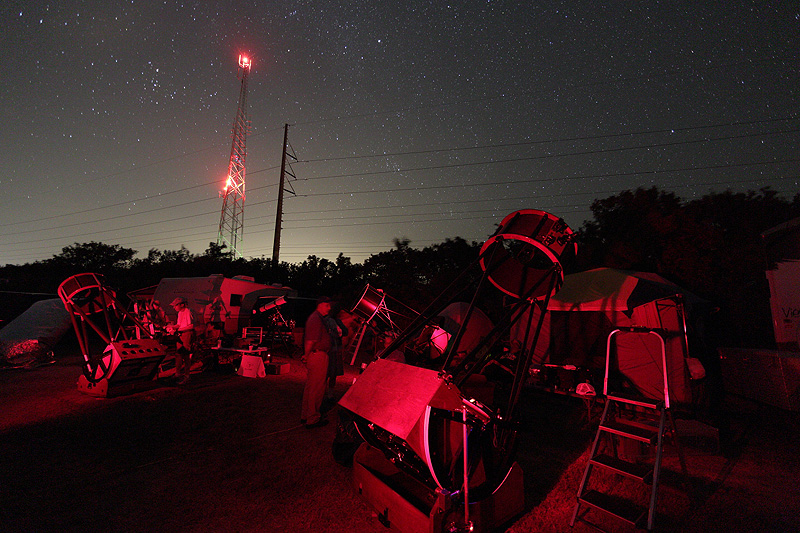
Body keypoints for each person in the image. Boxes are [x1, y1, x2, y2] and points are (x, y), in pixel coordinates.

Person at [301, 296, 333, 428]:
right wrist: (307, 354)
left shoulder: (318, 318)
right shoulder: (316, 319)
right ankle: (313, 418)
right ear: (320, 305)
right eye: (327, 305)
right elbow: (310, 340)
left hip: (316, 354)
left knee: (311, 387)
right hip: (318, 355)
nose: (329, 308)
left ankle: (306, 415)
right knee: (317, 388)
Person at [168, 297, 195, 385]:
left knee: (186, 355)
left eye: (175, 305)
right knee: (178, 354)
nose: (174, 307)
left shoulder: (188, 311)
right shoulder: (180, 313)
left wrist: (178, 330)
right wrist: (172, 327)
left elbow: (191, 326)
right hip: (181, 334)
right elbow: (179, 324)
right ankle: (178, 373)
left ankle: (187, 376)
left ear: (182, 304)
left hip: (187, 334)